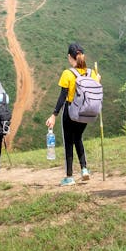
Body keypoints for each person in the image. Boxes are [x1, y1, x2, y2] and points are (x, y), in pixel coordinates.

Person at [46, 43, 96, 186]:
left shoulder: (67, 74)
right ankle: (84, 169)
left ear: (70, 57)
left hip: (70, 111)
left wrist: (54, 115)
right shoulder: (91, 72)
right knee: (78, 138)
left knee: (69, 142)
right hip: (86, 112)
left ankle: (69, 177)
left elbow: (62, 96)